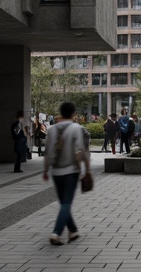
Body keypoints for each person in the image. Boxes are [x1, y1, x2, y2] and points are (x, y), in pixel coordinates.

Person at [43, 101, 91, 245]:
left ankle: (73, 230)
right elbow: (80, 151)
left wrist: (46, 169)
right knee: (66, 203)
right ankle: (56, 233)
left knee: (63, 202)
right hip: (71, 170)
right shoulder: (76, 128)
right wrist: (86, 168)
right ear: (73, 113)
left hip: (56, 171)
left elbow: (48, 152)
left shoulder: (51, 129)